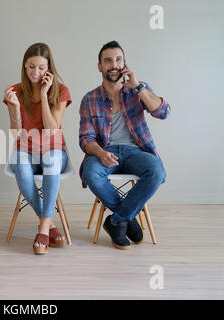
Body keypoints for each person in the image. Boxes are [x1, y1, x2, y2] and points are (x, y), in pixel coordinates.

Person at [79, 40, 170, 250]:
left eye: (118, 59)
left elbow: (164, 113)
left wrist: (138, 87)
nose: (114, 64)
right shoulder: (90, 99)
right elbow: (86, 139)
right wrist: (101, 153)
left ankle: (116, 220)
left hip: (136, 152)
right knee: (91, 172)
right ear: (99, 66)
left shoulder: (139, 90)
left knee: (156, 172)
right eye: (108, 60)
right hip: (105, 152)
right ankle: (127, 218)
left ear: (125, 64)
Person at [4, 43, 72, 255]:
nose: (36, 72)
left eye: (41, 68)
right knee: (22, 170)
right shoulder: (14, 91)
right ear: (25, 66)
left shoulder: (60, 91)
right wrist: (15, 107)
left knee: (51, 160)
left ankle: (43, 227)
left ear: (48, 68)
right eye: (32, 66)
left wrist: (44, 95)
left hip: (53, 149)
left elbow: (52, 131)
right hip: (25, 148)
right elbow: (15, 133)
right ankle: (49, 224)